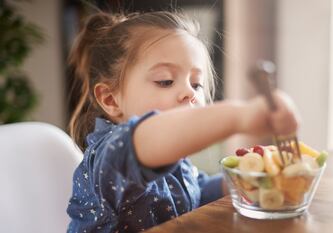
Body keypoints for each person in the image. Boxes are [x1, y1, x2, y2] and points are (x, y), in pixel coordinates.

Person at [66, 11, 299, 232]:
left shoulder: (175, 159)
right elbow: (150, 137)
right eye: (165, 81)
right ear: (110, 99)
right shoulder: (109, 157)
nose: (190, 93)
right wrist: (240, 115)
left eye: (196, 83)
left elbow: (196, 191)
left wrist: (244, 179)